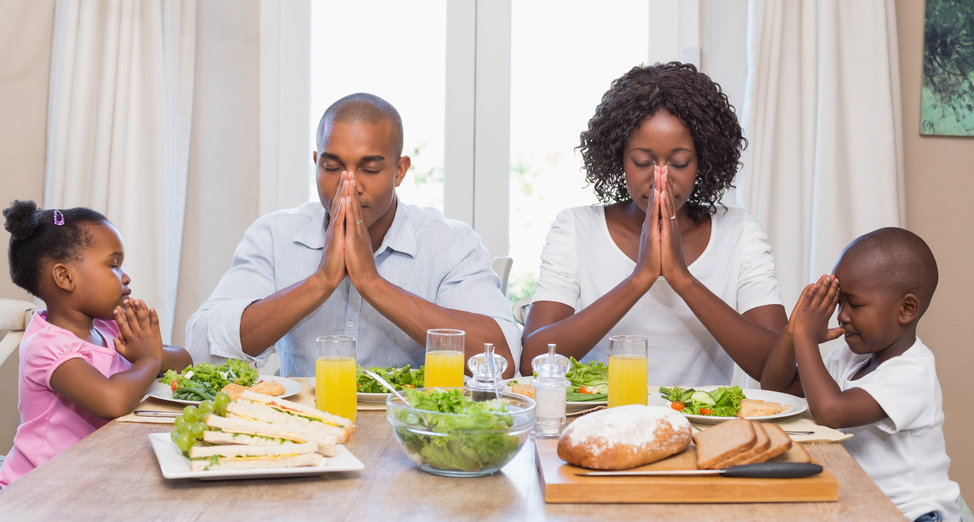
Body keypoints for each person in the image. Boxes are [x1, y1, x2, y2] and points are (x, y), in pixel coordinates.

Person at [186, 93, 520, 377]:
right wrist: (319, 282)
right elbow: (201, 348)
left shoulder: (450, 243)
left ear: (399, 171)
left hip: (407, 424)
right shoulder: (273, 236)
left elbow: (502, 362)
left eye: (370, 169)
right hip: (305, 423)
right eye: (332, 167)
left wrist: (373, 284)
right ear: (316, 163)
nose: (349, 185)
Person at [520, 62, 787, 382]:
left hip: (699, 416)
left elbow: (780, 371)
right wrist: (641, 277)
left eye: (680, 162)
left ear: (703, 160)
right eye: (642, 161)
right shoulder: (576, 229)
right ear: (619, 157)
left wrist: (681, 278)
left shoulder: (739, 232)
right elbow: (532, 362)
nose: (660, 179)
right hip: (602, 413)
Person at [761, 228, 961, 522]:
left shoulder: (913, 373)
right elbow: (776, 392)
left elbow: (831, 411)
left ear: (906, 309)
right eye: (840, 303)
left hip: (916, 515)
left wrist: (806, 337)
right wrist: (792, 332)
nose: (842, 315)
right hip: (866, 506)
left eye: (854, 304)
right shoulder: (851, 357)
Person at [0, 200, 192, 489]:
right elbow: (112, 401)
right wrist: (148, 359)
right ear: (65, 277)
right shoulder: (47, 346)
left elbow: (185, 363)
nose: (126, 276)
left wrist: (151, 351)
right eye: (113, 265)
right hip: (35, 489)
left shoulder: (108, 327)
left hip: (92, 479)